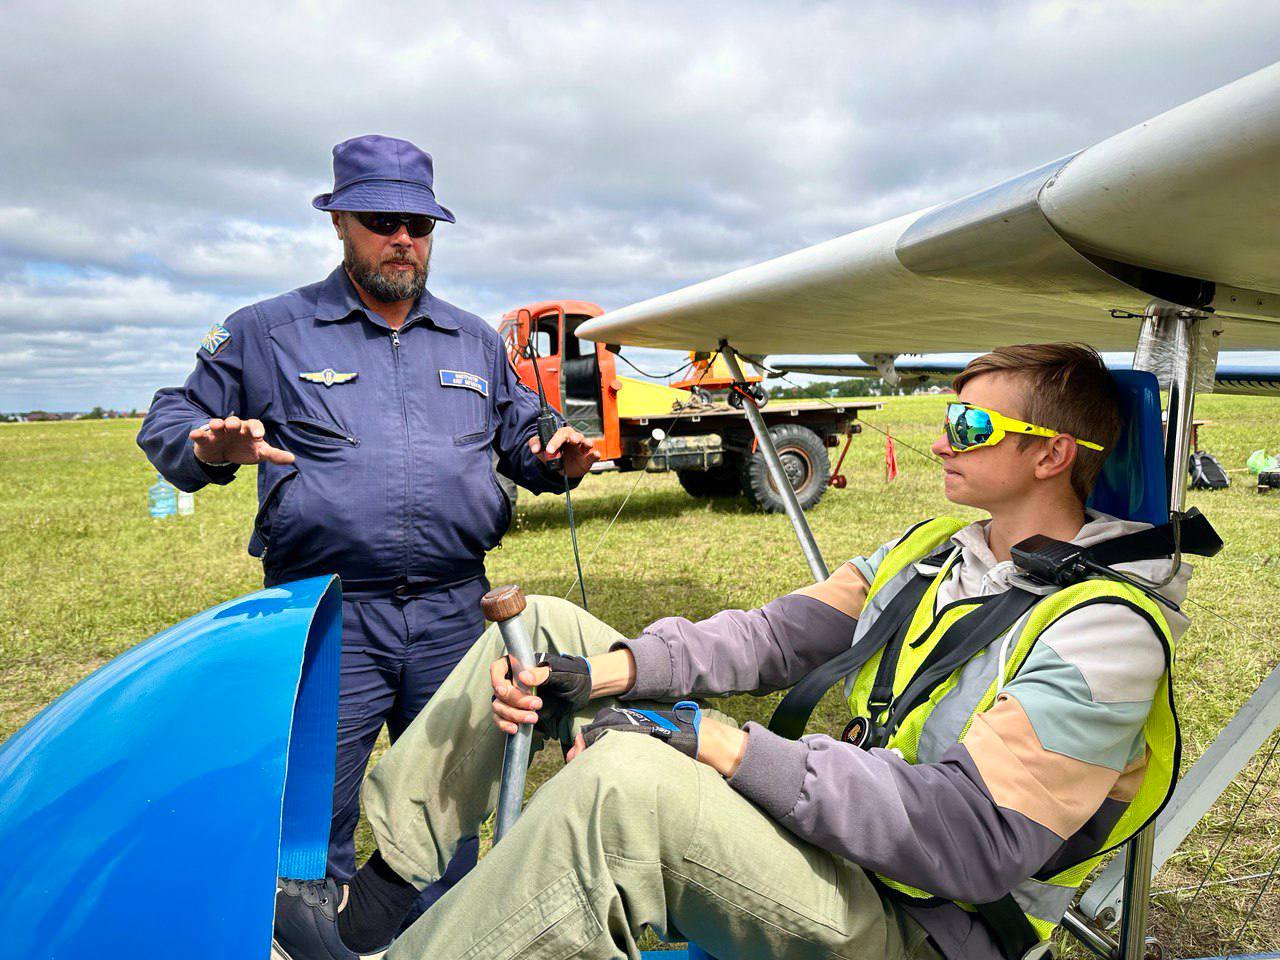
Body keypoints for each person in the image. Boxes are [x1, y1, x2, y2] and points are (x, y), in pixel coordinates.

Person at [272, 343, 1188, 960]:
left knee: (627, 790)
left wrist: (715, 742)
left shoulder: (1104, 630)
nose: (945, 439)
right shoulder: (933, 551)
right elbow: (774, 634)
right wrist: (611, 673)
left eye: (975, 429)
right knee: (545, 625)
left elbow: (973, 840)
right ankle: (391, 890)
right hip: (851, 853)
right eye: (951, 416)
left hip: (925, 922)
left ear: (1052, 455)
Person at [137, 134, 598, 921]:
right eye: (382, 220)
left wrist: (557, 453)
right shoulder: (268, 331)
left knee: (448, 806)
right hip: (330, 616)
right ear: (340, 222)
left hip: (458, 613)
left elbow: (528, 437)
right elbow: (170, 418)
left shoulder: (474, 340)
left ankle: (440, 929)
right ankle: (315, 931)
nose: (403, 239)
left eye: (419, 226)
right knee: (313, 813)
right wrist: (205, 446)